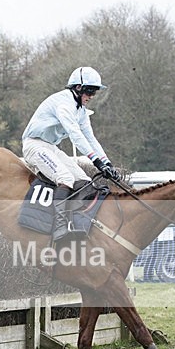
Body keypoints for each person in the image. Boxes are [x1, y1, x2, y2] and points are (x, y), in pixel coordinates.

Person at [22, 66, 119, 242]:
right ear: (78, 88)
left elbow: (91, 139)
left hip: (50, 147)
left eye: (94, 92)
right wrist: (96, 161)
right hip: (34, 145)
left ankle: (75, 223)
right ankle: (59, 227)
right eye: (90, 91)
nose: (91, 97)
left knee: (85, 182)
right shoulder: (63, 103)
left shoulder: (81, 110)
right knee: (65, 178)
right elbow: (76, 136)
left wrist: (108, 164)